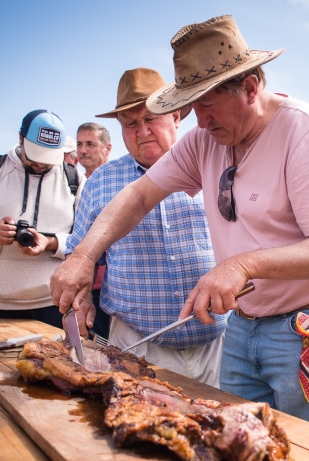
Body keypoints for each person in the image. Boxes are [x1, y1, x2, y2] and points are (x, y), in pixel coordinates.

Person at [51, 15, 309, 424]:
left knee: (308, 460)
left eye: (209, 106)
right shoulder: (204, 141)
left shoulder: (303, 133)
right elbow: (141, 194)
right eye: (192, 107)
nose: (199, 122)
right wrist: (83, 255)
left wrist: (242, 265)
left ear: (250, 88)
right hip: (243, 326)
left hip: (306, 328)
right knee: (228, 442)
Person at [68, 68, 226, 386]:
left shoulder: (216, 162)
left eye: (152, 118)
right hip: (135, 346)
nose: (142, 131)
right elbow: (78, 254)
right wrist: (81, 298)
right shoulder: (100, 181)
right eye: (130, 123)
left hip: (218, 346)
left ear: (177, 116)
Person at [0, 110, 86, 328]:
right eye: (35, 155)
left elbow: (88, 240)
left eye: (48, 157)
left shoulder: (74, 179)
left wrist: (51, 243)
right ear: (20, 138)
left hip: (53, 303)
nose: (41, 164)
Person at [75, 122, 113, 339]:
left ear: (108, 148)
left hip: (110, 291)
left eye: (90, 143)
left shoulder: (118, 184)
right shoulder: (75, 184)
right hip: (86, 289)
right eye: (79, 144)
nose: (83, 150)